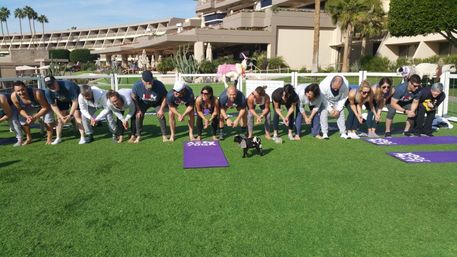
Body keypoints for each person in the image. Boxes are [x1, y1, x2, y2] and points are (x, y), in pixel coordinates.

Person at [44, 75, 86, 145]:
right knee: (59, 118)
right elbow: (53, 105)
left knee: (77, 115)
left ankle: (82, 137)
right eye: (49, 85)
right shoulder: (48, 91)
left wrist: (70, 115)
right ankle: (58, 138)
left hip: (75, 97)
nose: (52, 86)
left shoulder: (68, 86)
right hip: (62, 98)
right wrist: (60, 116)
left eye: (53, 84)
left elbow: (75, 102)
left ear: (56, 81)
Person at [131, 70, 169, 143]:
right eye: (146, 81)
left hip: (156, 102)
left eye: (150, 81)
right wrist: (138, 109)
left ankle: (164, 136)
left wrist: (161, 109)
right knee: (138, 116)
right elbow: (134, 97)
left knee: (161, 115)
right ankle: (138, 135)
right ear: (142, 80)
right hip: (143, 103)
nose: (148, 83)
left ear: (153, 79)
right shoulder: (137, 85)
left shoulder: (159, 85)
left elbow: (165, 97)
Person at [319, 74, 350, 139]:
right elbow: (323, 99)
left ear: (341, 85)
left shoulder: (346, 84)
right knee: (323, 112)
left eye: (337, 88)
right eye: (334, 87)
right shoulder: (323, 85)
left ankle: (343, 133)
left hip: (338, 99)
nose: (335, 90)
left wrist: (338, 109)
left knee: (341, 113)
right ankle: (324, 133)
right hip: (326, 99)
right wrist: (330, 109)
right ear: (331, 82)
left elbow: (344, 97)